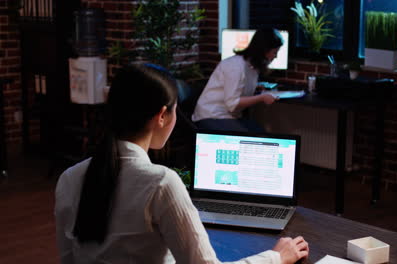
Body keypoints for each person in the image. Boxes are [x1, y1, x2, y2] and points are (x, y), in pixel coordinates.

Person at [55, 63, 309, 264]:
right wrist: (276, 257)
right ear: (162, 116)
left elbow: (69, 258)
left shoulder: (70, 177)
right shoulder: (160, 183)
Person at [192, 28, 284, 132]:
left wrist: (255, 86)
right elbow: (233, 103)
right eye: (275, 52)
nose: (275, 56)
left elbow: (237, 86)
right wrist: (261, 97)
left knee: (261, 133)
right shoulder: (235, 66)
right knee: (253, 138)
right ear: (264, 50)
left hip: (227, 115)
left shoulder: (251, 66)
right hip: (211, 115)